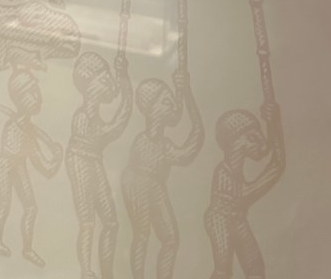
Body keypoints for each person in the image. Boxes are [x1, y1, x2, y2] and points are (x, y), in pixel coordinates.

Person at [122, 70, 204, 279]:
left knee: (170, 238)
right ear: (151, 109)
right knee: (142, 234)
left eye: (172, 100)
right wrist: (184, 92)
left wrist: (185, 91)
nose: (173, 106)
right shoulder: (144, 142)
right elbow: (184, 149)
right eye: (166, 101)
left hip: (153, 184)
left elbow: (188, 150)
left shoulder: (163, 145)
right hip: (138, 182)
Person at [66, 51, 132, 279]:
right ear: (89, 80)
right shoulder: (83, 118)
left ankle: (106, 274)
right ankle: (86, 271)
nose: (110, 84)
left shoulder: (92, 118)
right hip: (81, 160)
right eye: (105, 79)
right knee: (88, 221)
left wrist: (123, 79)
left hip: (92, 160)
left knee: (111, 223)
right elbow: (115, 127)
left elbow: (114, 126)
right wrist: (125, 82)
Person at [204, 103, 285, 279]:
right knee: (223, 271)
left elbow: (275, 162)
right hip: (220, 219)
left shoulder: (234, 174)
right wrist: (274, 124)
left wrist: (273, 123)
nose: (261, 142)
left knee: (256, 270)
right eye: (252, 137)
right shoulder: (223, 174)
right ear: (235, 141)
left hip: (236, 218)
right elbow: (275, 166)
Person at [0, 70, 62, 267]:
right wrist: (55, 155)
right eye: (33, 92)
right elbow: (38, 161)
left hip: (18, 165)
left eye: (37, 91)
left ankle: (27, 249)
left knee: (31, 207)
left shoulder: (28, 131)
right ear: (20, 96)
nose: (39, 98)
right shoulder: (17, 128)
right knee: (5, 205)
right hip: (5, 165)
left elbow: (46, 169)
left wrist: (57, 158)